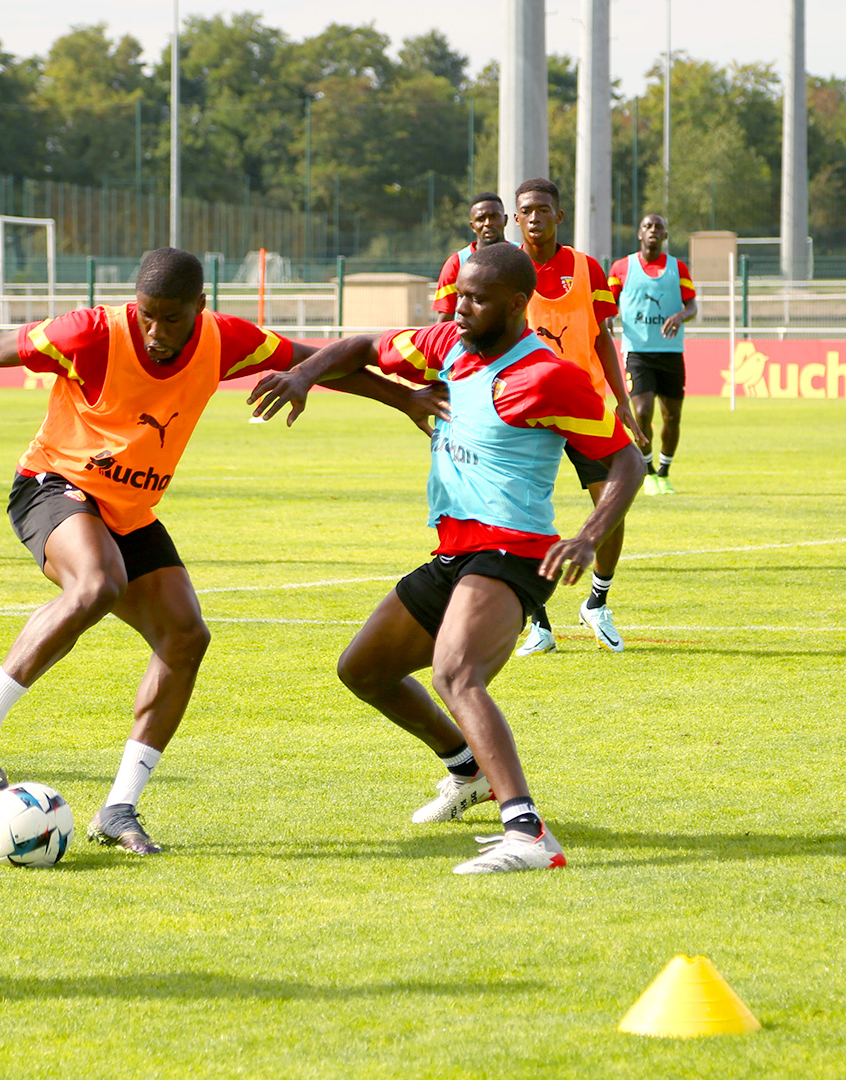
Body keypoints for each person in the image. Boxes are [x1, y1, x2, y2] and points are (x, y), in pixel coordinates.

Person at [0, 249, 441, 855]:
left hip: (127, 509)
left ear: (200, 308)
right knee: (97, 584)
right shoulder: (91, 332)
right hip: (51, 487)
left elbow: (321, 360)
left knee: (185, 637)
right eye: (146, 314)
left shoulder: (225, 339)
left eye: (171, 318)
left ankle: (119, 808)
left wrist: (404, 399)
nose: (155, 331)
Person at [248, 243, 641, 874]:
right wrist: (303, 377)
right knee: (364, 670)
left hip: (513, 552)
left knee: (456, 674)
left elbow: (624, 459)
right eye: (459, 295)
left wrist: (590, 534)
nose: (460, 309)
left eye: (477, 299)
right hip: (455, 549)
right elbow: (359, 346)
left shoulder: (550, 377)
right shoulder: (447, 345)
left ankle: (527, 832)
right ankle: (467, 769)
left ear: (517, 305)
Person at [511, 177, 647, 656]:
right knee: (514, 514)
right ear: (516, 218)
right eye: (526, 210)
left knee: (613, 502)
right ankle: (537, 623)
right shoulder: (505, 268)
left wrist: (623, 400)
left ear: (558, 216)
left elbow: (601, 337)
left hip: (585, 405)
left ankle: (598, 602)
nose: (534, 217)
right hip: (525, 406)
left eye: (543, 209)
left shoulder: (587, 268)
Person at [609, 213, 697, 496]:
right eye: (647, 225)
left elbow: (692, 305)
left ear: (665, 235)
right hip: (638, 353)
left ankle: (664, 472)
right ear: (639, 233)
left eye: (659, 226)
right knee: (643, 411)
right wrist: (608, 317)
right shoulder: (622, 267)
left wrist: (682, 315)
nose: (653, 230)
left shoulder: (678, 268)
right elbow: (608, 300)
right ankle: (647, 471)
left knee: (672, 416)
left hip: (670, 353)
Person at [433, 193, 507, 323]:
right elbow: (444, 319)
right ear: (473, 226)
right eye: (481, 219)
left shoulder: (521, 255)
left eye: (494, 216)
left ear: (505, 220)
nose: (488, 223)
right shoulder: (456, 263)